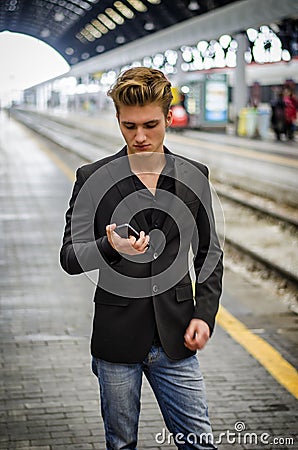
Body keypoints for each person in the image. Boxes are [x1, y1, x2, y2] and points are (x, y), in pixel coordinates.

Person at [60, 67, 223, 450]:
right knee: (121, 446)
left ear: (169, 117)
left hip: (177, 337)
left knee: (199, 444)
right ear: (117, 120)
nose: (139, 137)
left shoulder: (194, 176)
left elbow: (209, 253)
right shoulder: (92, 178)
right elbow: (69, 257)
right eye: (128, 126)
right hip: (116, 340)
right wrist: (107, 248)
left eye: (150, 124)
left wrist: (204, 315)